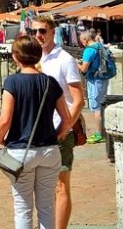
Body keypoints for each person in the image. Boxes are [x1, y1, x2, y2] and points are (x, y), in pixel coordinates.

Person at [0, 35, 73, 229]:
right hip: (49, 150)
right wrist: (57, 135)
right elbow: (67, 119)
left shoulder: (12, 82)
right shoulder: (50, 83)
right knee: (47, 207)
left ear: (16, 56)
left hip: (21, 151)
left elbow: (5, 120)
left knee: (23, 208)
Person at [33, 14, 85, 229]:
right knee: (44, 187)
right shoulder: (35, 59)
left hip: (60, 130)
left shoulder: (65, 59)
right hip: (40, 132)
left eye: (42, 31)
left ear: (53, 32)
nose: (38, 35)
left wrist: (65, 128)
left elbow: (78, 100)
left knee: (61, 186)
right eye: (34, 31)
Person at [77, 30, 107, 144]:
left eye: (81, 41)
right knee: (101, 105)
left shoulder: (89, 50)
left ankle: (100, 135)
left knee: (96, 107)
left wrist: (75, 63)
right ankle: (103, 132)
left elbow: (84, 69)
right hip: (103, 78)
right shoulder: (99, 46)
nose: (81, 43)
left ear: (85, 39)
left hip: (95, 80)